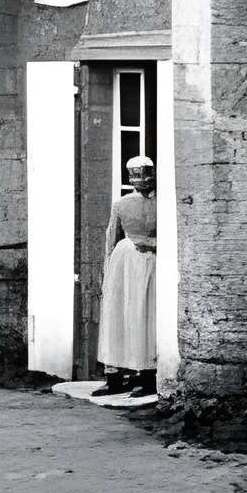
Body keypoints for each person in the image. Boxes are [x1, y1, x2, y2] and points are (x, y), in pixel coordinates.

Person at [91, 154, 159, 399]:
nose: (142, 179)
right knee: (121, 314)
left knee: (142, 315)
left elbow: (112, 240)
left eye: (144, 174)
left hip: (144, 260)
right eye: (137, 175)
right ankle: (118, 377)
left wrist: (151, 243)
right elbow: (112, 236)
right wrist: (106, 271)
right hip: (129, 261)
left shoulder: (161, 202)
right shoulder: (122, 204)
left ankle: (143, 375)